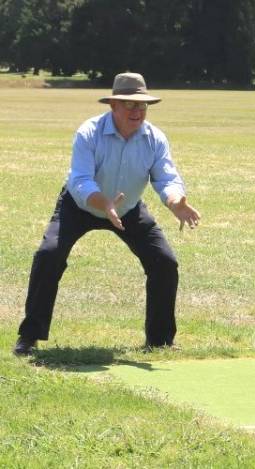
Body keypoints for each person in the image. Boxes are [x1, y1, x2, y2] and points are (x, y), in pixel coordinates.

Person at [13, 72, 200, 356]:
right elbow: (80, 180)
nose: (137, 111)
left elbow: (166, 179)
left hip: (128, 208)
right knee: (48, 255)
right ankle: (29, 337)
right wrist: (104, 203)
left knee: (164, 262)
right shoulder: (89, 132)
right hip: (80, 205)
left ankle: (160, 341)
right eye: (129, 105)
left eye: (142, 105)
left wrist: (175, 202)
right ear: (113, 104)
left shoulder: (155, 138)